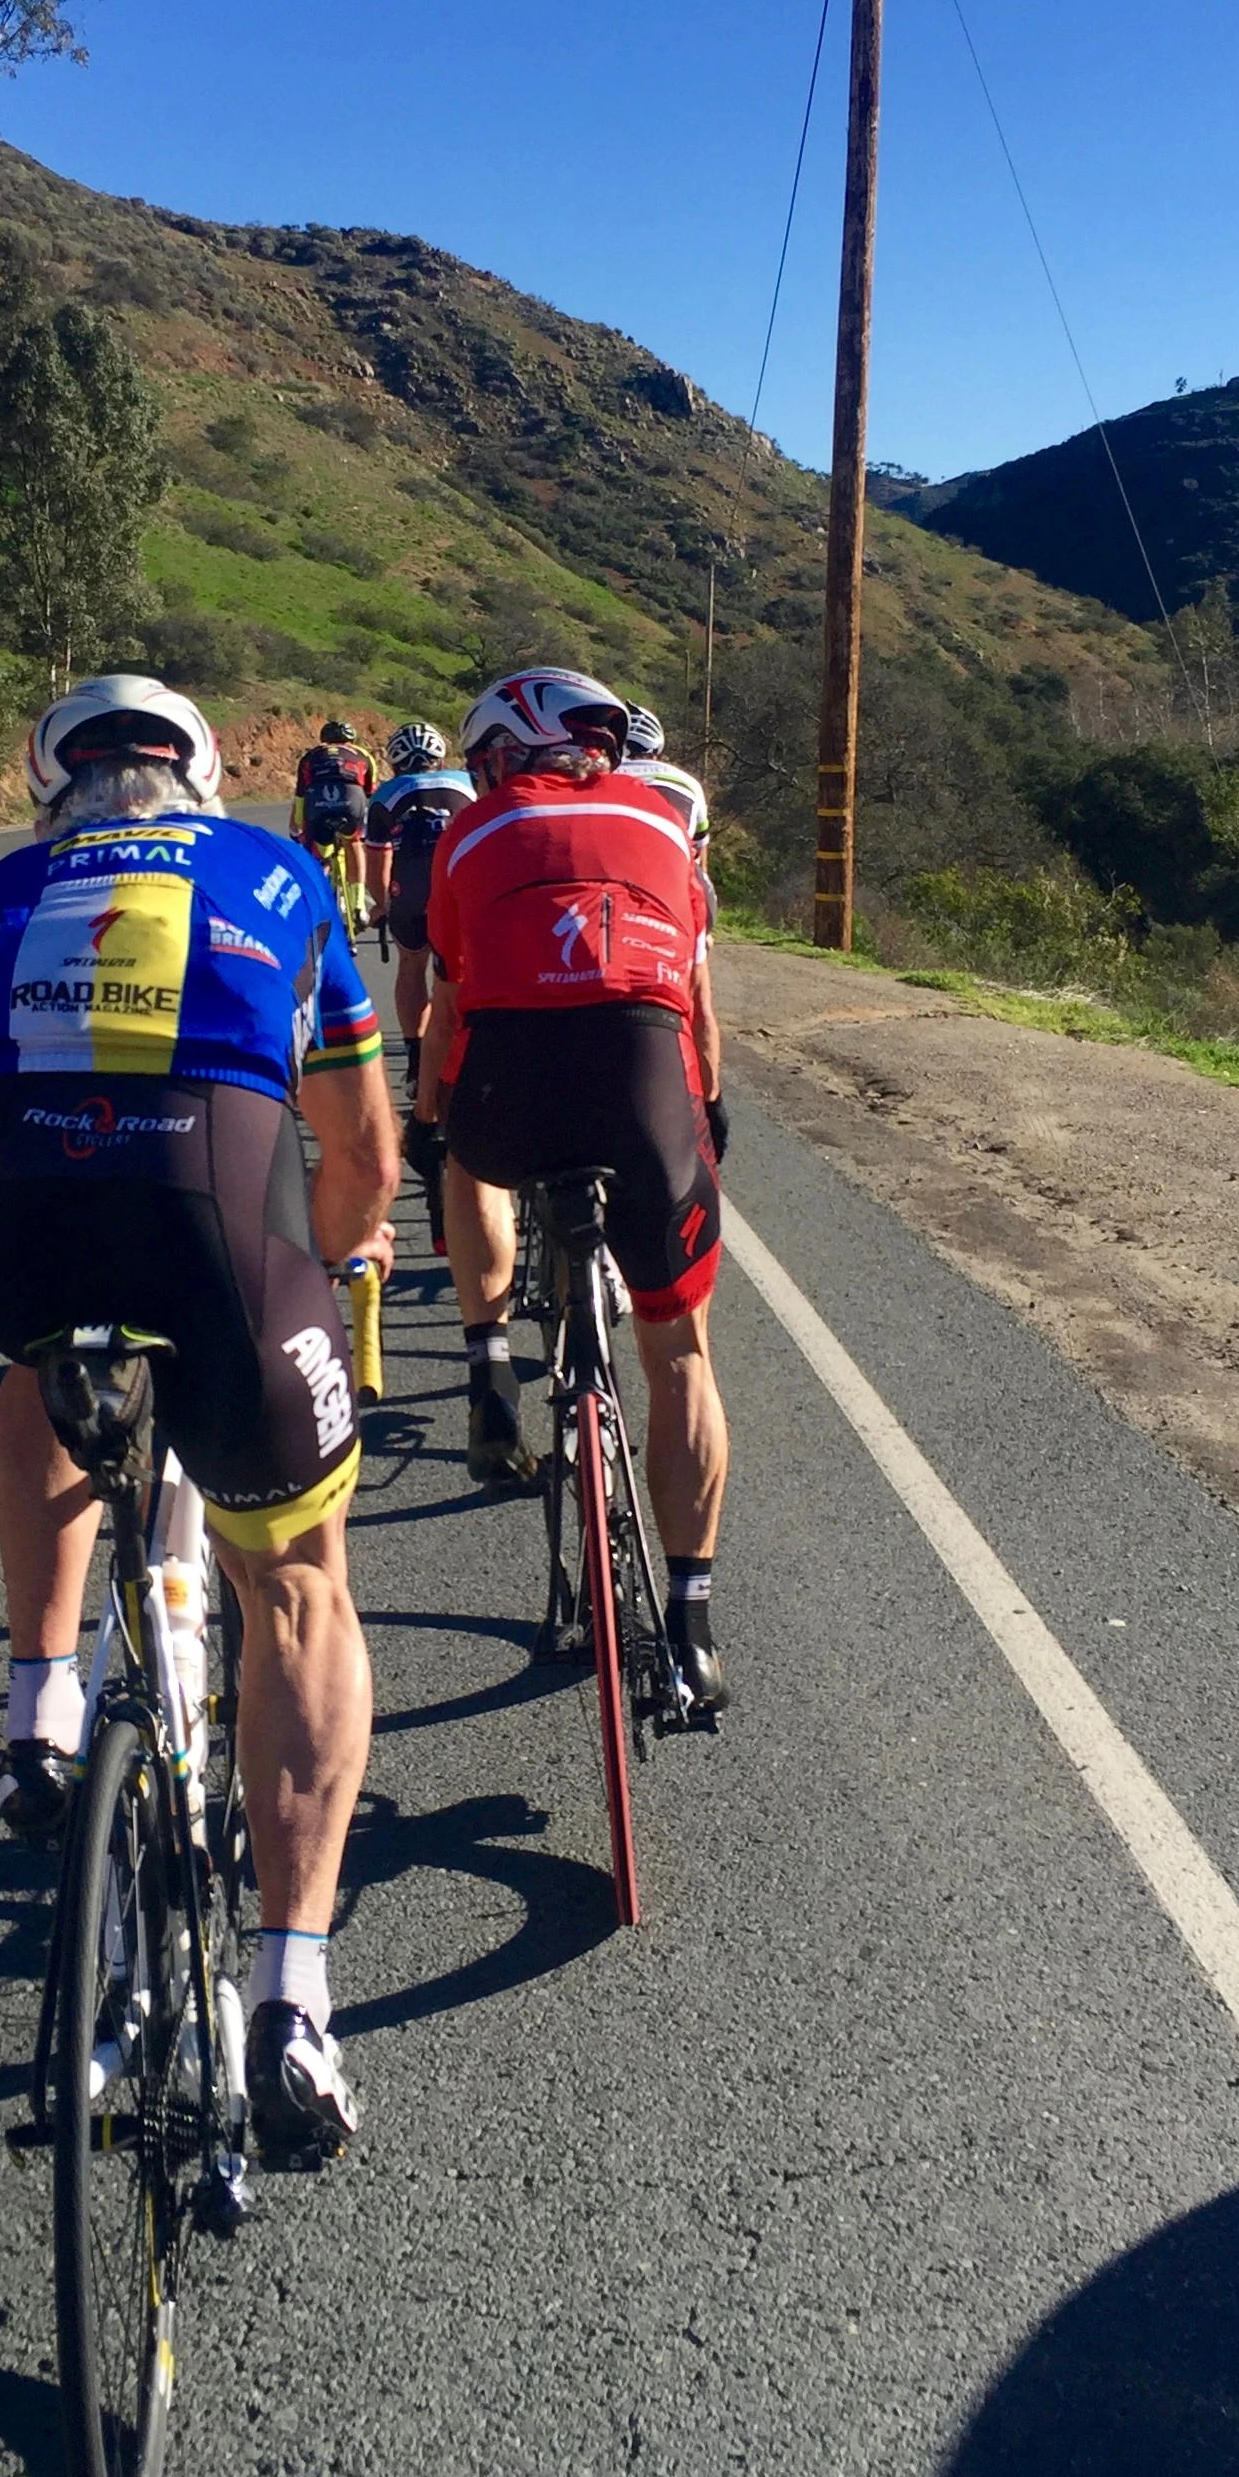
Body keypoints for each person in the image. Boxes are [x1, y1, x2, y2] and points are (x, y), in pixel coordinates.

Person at [0, 673, 397, 2164]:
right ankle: (292, 1997)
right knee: (298, 1580)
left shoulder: (2, 884)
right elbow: (365, 1156)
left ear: (49, 788)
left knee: (38, 1355)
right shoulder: (284, 871)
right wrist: (320, 1273)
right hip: (214, 1231)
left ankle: (36, 1703)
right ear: (198, 777)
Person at [409, 668, 730, 1705]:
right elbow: (692, 998)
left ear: (502, 753)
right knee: (677, 1352)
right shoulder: (660, 825)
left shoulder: (470, 830)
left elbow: (444, 1012)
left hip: (511, 1087)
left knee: (469, 1160)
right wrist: (706, 1113)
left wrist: (426, 1131)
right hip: (643, 1084)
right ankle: (689, 1626)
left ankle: (488, 1363)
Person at [365, 721, 474, 1097]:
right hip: (458, 884)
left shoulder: (385, 794)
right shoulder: (466, 782)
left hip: (410, 887)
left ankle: (415, 1062)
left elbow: (378, 860)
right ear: (440, 758)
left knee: (410, 966)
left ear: (394, 762)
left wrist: (381, 904)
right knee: (457, 973)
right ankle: (461, 1058)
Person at [622, 705, 717, 928]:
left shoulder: (601, 777)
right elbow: (701, 857)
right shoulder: (689, 784)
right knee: (701, 943)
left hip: (614, 883)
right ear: (658, 751)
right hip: (674, 886)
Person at [289, 717, 376, 923]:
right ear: (352, 740)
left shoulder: (311, 756)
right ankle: (358, 906)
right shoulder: (363, 755)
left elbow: (301, 797)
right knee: (354, 841)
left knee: (316, 848)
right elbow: (370, 793)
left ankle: (318, 891)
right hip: (352, 798)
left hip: (317, 798)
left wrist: (297, 828)